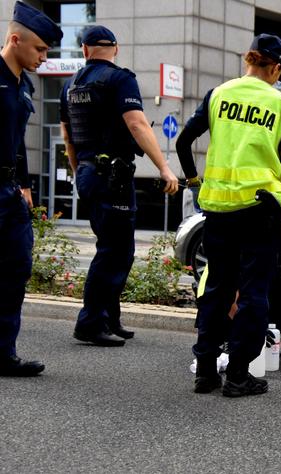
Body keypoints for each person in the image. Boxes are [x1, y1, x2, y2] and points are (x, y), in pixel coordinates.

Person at [176, 34, 281, 396]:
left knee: (217, 288)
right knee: (253, 294)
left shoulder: (218, 95)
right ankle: (237, 376)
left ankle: (205, 371)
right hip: (261, 213)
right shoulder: (280, 105)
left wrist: (194, 182)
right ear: (276, 68)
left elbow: (183, 141)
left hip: (218, 210)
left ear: (249, 60)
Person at [60, 26, 179, 347]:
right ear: (115, 48)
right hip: (112, 176)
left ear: (85, 50)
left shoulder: (70, 85)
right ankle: (90, 323)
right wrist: (165, 167)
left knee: (110, 246)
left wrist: (79, 173)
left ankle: (109, 317)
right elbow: (137, 123)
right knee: (116, 251)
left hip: (87, 173)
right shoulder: (120, 79)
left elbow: (68, 137)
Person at [0, 2, 62, 377]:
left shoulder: (25, 83)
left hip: (9, 191)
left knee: (16, 268)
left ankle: (3, 353)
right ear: (14, 38)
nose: (44, 57)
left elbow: (19, 140)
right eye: (39, 49)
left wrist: (24, 184)